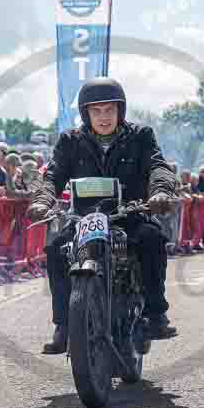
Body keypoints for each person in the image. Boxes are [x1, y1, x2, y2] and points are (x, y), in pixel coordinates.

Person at [27, 77, 178, 354]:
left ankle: (156, 313)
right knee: (56, 249)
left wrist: (160, 192)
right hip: (84, 219)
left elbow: (158, 166)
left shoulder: (141, 136)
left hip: (129, 215)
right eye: (96, 111)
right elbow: (52, 175)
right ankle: (63, 325)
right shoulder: (70, 141)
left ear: (120, 110)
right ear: (86, 113)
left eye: (109, 110)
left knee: (152, 239)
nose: (103, 117)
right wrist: (42, 200)